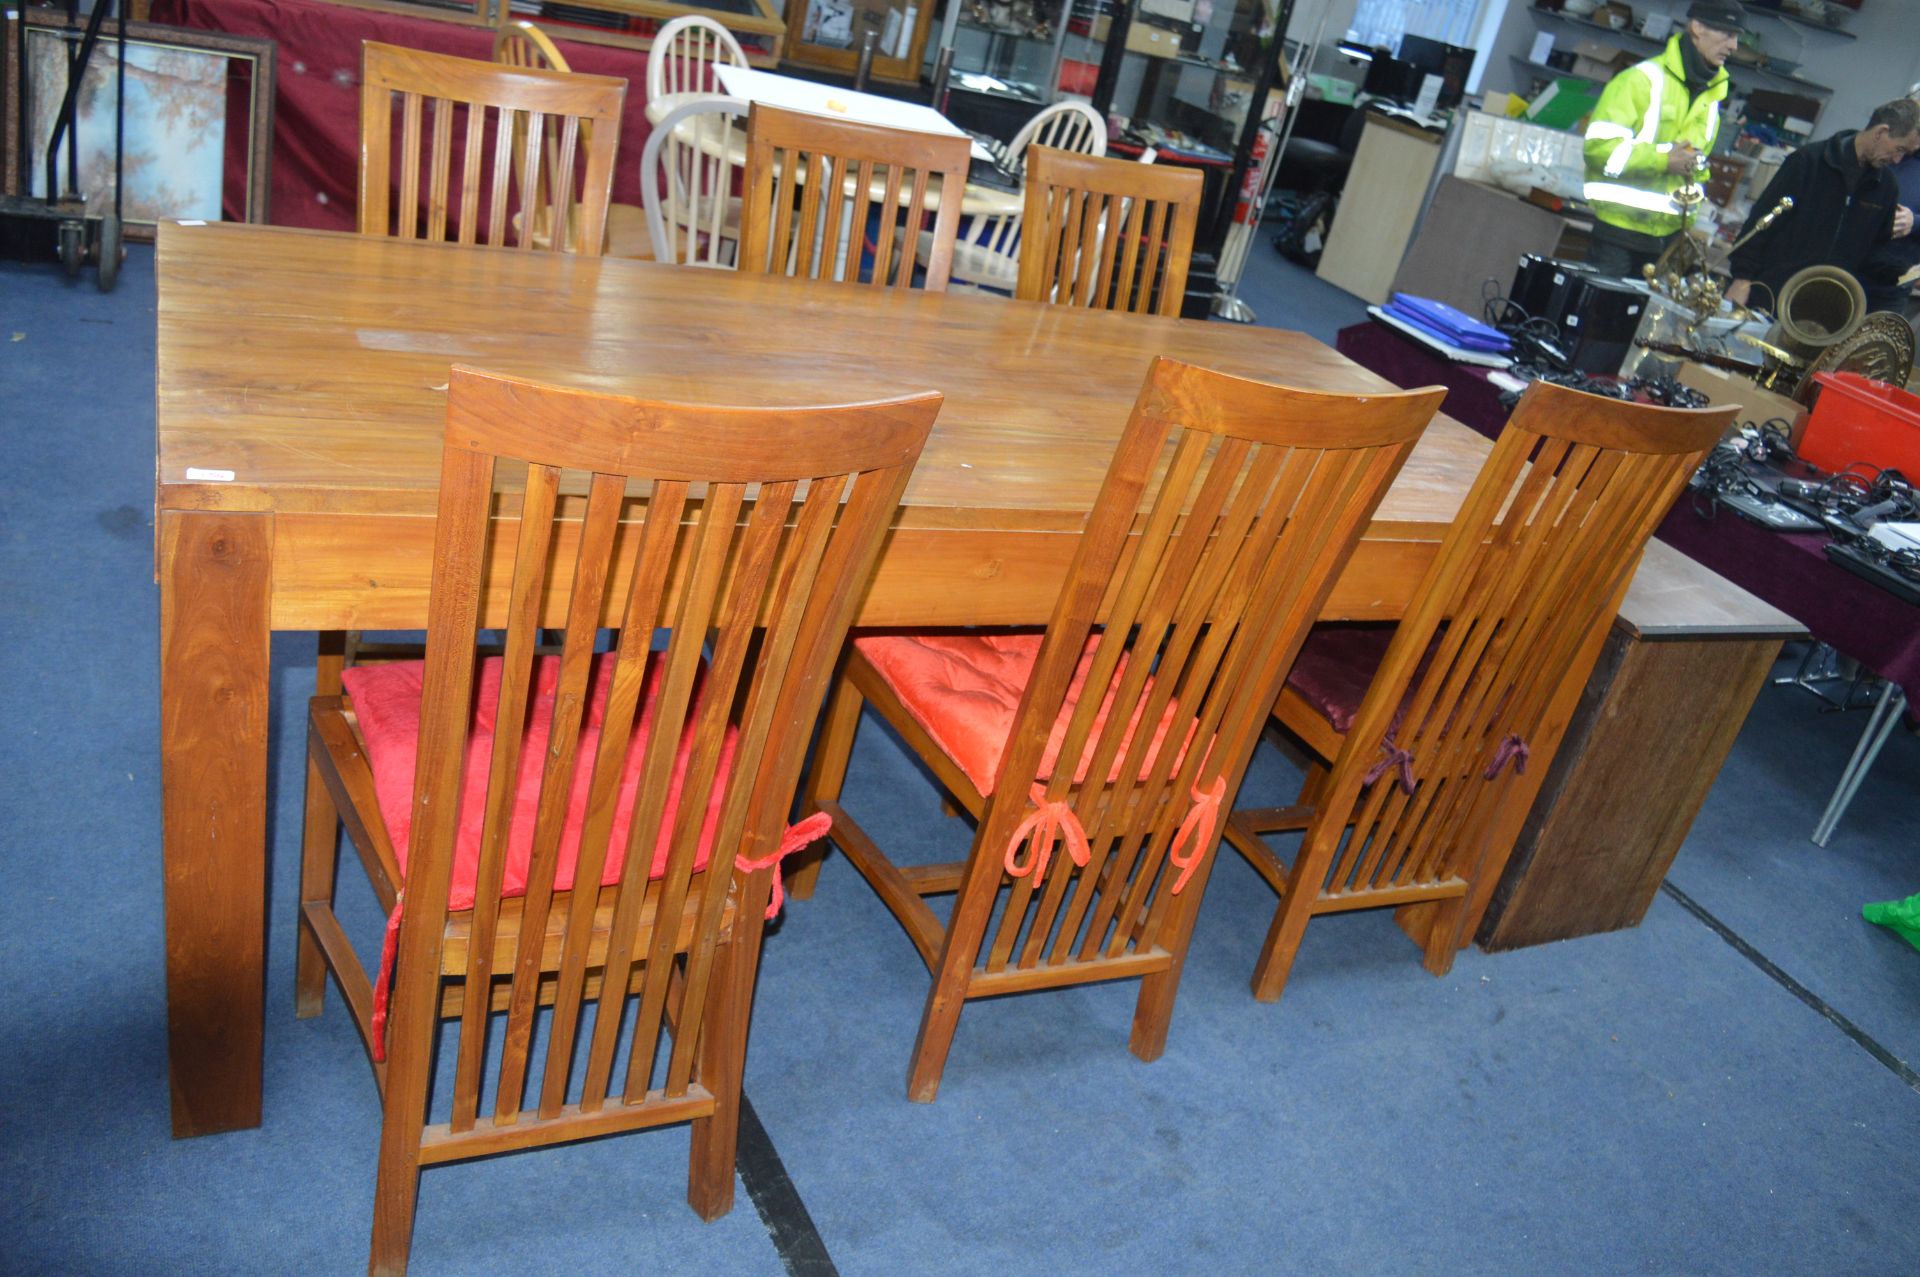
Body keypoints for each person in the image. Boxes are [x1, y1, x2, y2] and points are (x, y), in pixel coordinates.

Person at [1581, 1, 1743, 280]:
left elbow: (1698, 163)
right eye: (1727, 34)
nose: (1734, 46)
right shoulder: (1640, 80)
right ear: (1697, 26)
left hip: (1668, 241)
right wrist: (1663, 161)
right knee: (1597, 319)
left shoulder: (1712, 97)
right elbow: (1598, 149)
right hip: (1618, 235)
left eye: (1736, 37)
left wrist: (1695, 171)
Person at [1726, 98, 1920, 312]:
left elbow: (1872, 254)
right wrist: (1742, 279)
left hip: (1820, 312)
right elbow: (1761, 223)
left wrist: (1906, 272)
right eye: (1898, 149)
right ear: (1881, 132)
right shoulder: (1809, 161)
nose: (1897, 160)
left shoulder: (1886, 187)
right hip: (1769, 296)